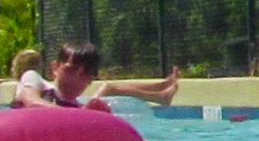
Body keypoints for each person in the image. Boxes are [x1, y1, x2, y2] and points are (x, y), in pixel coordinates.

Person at [20, 42, 180, 110]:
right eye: (70, 69)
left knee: (107, 91)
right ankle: (161, 93)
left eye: (84, 74)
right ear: (55, 67)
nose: (75, 78)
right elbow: (31, 101)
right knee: (108, 89)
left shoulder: (80, 109)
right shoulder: (34, 79)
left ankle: (161, 91)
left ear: (90, 80)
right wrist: (80, 115)